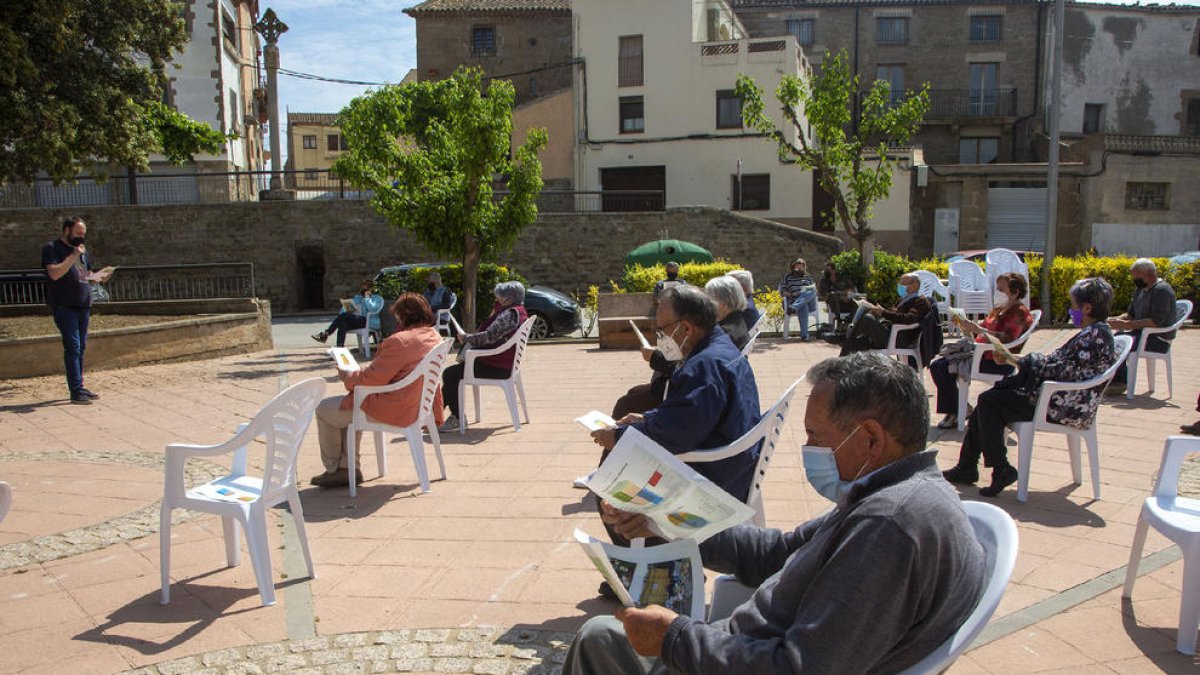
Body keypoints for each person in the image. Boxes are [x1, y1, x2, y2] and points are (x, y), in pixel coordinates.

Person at [566, 353, 987, 675]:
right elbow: (777, 552)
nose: (810, 450)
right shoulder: (895, 493)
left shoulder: (889, 526)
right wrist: (665, 521)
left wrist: (673, 637)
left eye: (816, 437)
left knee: (598, 638)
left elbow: (801, 667)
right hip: (741, 645)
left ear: (872, 439)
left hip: (738, 659)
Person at [592, 285, 761, 544]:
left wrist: (617, 436)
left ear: (686, 328)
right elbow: (690, 413)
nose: (660, 339)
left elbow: (678, 432)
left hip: (711, 479)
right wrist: (647, 419)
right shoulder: (718, 348)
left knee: (610, 495)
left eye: (663, 330)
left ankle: (653, 573)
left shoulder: (704, 366)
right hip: (729, 463)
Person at [944, 277, 1118, 497]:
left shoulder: (1096, 337)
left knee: (990, 401)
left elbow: (1062, 371)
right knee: (990, 399)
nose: (1070, 310)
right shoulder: (1093, 332)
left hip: (1063, 403)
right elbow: (1057, 364)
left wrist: (1018, 361)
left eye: (1073, 306)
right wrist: (1014, 358)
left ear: (1087, 308)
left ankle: (1000, 468)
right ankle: (969, 466)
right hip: (1056, 395)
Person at [310, 293, 446, 488]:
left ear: (403, 316)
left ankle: (336, 469)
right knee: (345, 410)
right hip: (418, 404)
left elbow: (373, 379)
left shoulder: (400, 341)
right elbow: (385, 372)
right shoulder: (433, 335)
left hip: (395, 408)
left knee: (324, 409)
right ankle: (347, 468)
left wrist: (348, 376)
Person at [609, 279, 752, 421]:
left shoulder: (714, 350)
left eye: (708, 298)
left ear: (724, 305)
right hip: (708, 420)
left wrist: (628, 430)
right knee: (633, 396)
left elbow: (684, 422)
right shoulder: (728, 328)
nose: (704, 304)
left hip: (680, 404)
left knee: (625, 406)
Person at [929, 273, 1033, 429]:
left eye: (1001, 289)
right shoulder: (998, 310)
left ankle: (957, 410)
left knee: (943, 367)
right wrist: (965, 324)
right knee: (937, 365)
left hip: (996, 361)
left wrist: (979, 330)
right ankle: (958, 409)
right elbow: (981, 329)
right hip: (979, 355)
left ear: (1015, 292)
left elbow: (1007, 338)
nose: (997, 292)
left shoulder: (1019, 313)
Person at [440, 281, 528, 431]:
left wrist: (466, 338)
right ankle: (432, 413)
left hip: (497, 366)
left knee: (450, 374)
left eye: (501, 296)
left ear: (510, 298)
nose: (498, 299)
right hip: (505, 363)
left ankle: (455, 417)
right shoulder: (519, 311)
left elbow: (490, 336)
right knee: (453, 373)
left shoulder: (509, 314)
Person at [42, 216, 112, 404]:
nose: (81, 237)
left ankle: (80, 386)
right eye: (78, 233)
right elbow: (54, 273)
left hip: (83, 304)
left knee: (81, 347)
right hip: (64, 305)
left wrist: (97, 277)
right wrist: (73, 255)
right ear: (66, 230)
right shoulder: (52, 248)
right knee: (72, 347)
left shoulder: (82, 252)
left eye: (83, 234)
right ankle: (76, 391)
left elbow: (85, 274)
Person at [1106, 258, 1177, 394]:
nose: (1134, 280)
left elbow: (1155, 322)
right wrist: (1114, 320)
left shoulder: (1162, 291)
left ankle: (1120, 382)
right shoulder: (1140, 290)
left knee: (1120, 345)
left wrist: (1128, 324)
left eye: (1137, 277)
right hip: (1140, 334)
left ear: (1150, 274)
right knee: (1112, 340)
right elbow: (1131, 314)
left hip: (1158, 339)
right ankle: (1115, 379)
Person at [839, 273, 931, 356]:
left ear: (915, 286)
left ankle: (843, 335)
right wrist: (878, 311)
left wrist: (883, 312)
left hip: (899, 339)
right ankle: (836, 372)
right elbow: (893, 314)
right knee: (850, 344)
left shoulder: (920, 301)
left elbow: (909, 318)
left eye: (903, 283)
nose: (899, 286)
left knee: (868, 319)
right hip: (888, 334)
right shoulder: (902, 300)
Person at [312, 281, 385, 347]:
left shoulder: (377, 298)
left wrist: (367, 298)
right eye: (363, 288)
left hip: (370, 321)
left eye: (366, 288)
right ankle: (340, 349)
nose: (364, 290)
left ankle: (326, 334)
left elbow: (372, 309)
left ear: (372, 289)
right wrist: (346, 309)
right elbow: (342, 313)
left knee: (344, 317)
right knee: (343, 324)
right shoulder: (357, 298)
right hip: (357, 320)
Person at [704, 276, 750, 349]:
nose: (705, 302)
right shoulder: (738, 320)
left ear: (724, 303)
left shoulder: (722, 332)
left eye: (708, 298)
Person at [779, 258, 818, 341]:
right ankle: (805, 336)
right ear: (792, 268)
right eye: (797, 268)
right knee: (803, 307)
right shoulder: (787, 277)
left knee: (812, 290)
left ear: (804, 268)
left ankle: (794, 307)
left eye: (801, 268)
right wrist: (791, 294)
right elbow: (782, 291)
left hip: (807, 301)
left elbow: (814, 290)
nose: (799, 270)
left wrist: (803, 292)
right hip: (795, 299)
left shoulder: (808, 277)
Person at [817, 262, 857, 332]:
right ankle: (839, 322)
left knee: (856, 303)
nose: (827, 272)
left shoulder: (843, 278)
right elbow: (824, 297)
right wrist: (837, 295)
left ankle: (849, 324)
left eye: (829, 270)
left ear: (834, 270)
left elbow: (852, 290)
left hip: (846, 301)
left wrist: (841, 294)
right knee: (834, 297)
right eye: (826, 270)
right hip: (834, 305)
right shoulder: (824, 281)